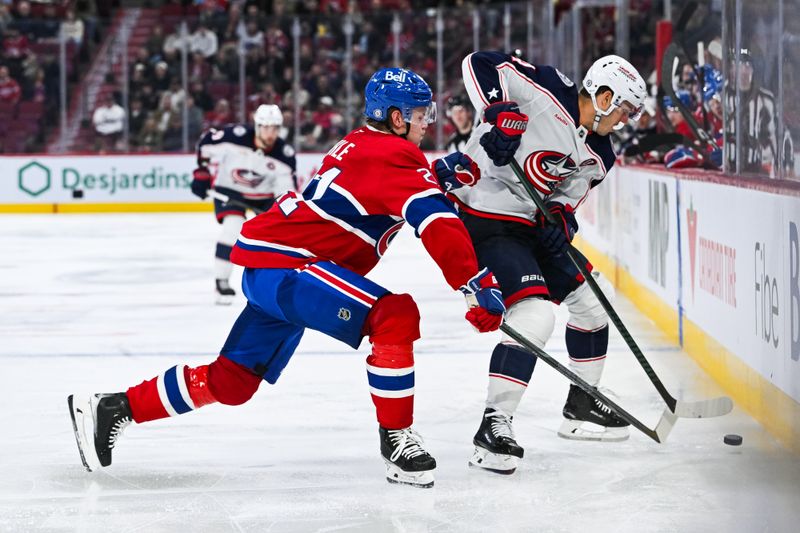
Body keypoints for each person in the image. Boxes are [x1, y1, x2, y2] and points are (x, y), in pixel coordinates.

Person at [67, 67, 505, 489]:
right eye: (419, 114)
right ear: (396, 117)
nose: (426, 122)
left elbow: (386, 188)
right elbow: (436, 221)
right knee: (394, 316)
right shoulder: (394, 155)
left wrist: (436, 175)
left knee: (231, 382)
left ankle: (115, 408)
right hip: (293, 268)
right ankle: (396, 441)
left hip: (274, 271)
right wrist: (473, 282)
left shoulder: (363, 145)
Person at [444, 51, 646, 474]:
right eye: (623, 110)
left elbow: (564, 202)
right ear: (604, 96)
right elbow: (478, 63)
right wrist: (497, 112)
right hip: (484, 218)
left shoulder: (601, 154)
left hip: (531, 224)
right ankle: (493, 426)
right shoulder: (548, 89)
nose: (623, 120)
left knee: (595, 302)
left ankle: (582, 403)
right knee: (534, 316)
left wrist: (560, 222)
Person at [190, 104, 296, 304]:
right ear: (257, 126)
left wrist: (285, 213)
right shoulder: (235, 136)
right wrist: (202, 172)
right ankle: (221, 281)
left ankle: (273, 283)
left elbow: (286, 191)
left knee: (276, 237)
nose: (270, 133)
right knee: (233, 227)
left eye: (274, 128)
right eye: (266, 127)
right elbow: (205, 143)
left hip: (264, 196)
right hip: (230, 189)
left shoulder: (284, 153)